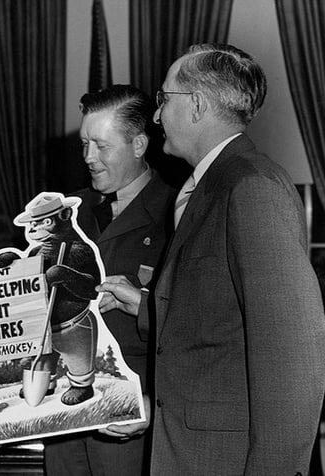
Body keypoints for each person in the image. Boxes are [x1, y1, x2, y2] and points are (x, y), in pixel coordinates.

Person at [98, 43, 325, 474]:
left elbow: (294, 360)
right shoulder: (214, 184)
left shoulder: (252, 187)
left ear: (197, 105)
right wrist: (145, 307)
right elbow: (220, 318)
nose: (158, 115)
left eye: (164, 100)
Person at [41, 84, 176, 475]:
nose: (88, 158)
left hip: (132, 418)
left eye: (101, 146)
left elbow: (200, 325)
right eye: (84, 144)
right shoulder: (67, 211)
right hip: (63, 417)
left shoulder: (176, 211)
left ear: (138, 145)